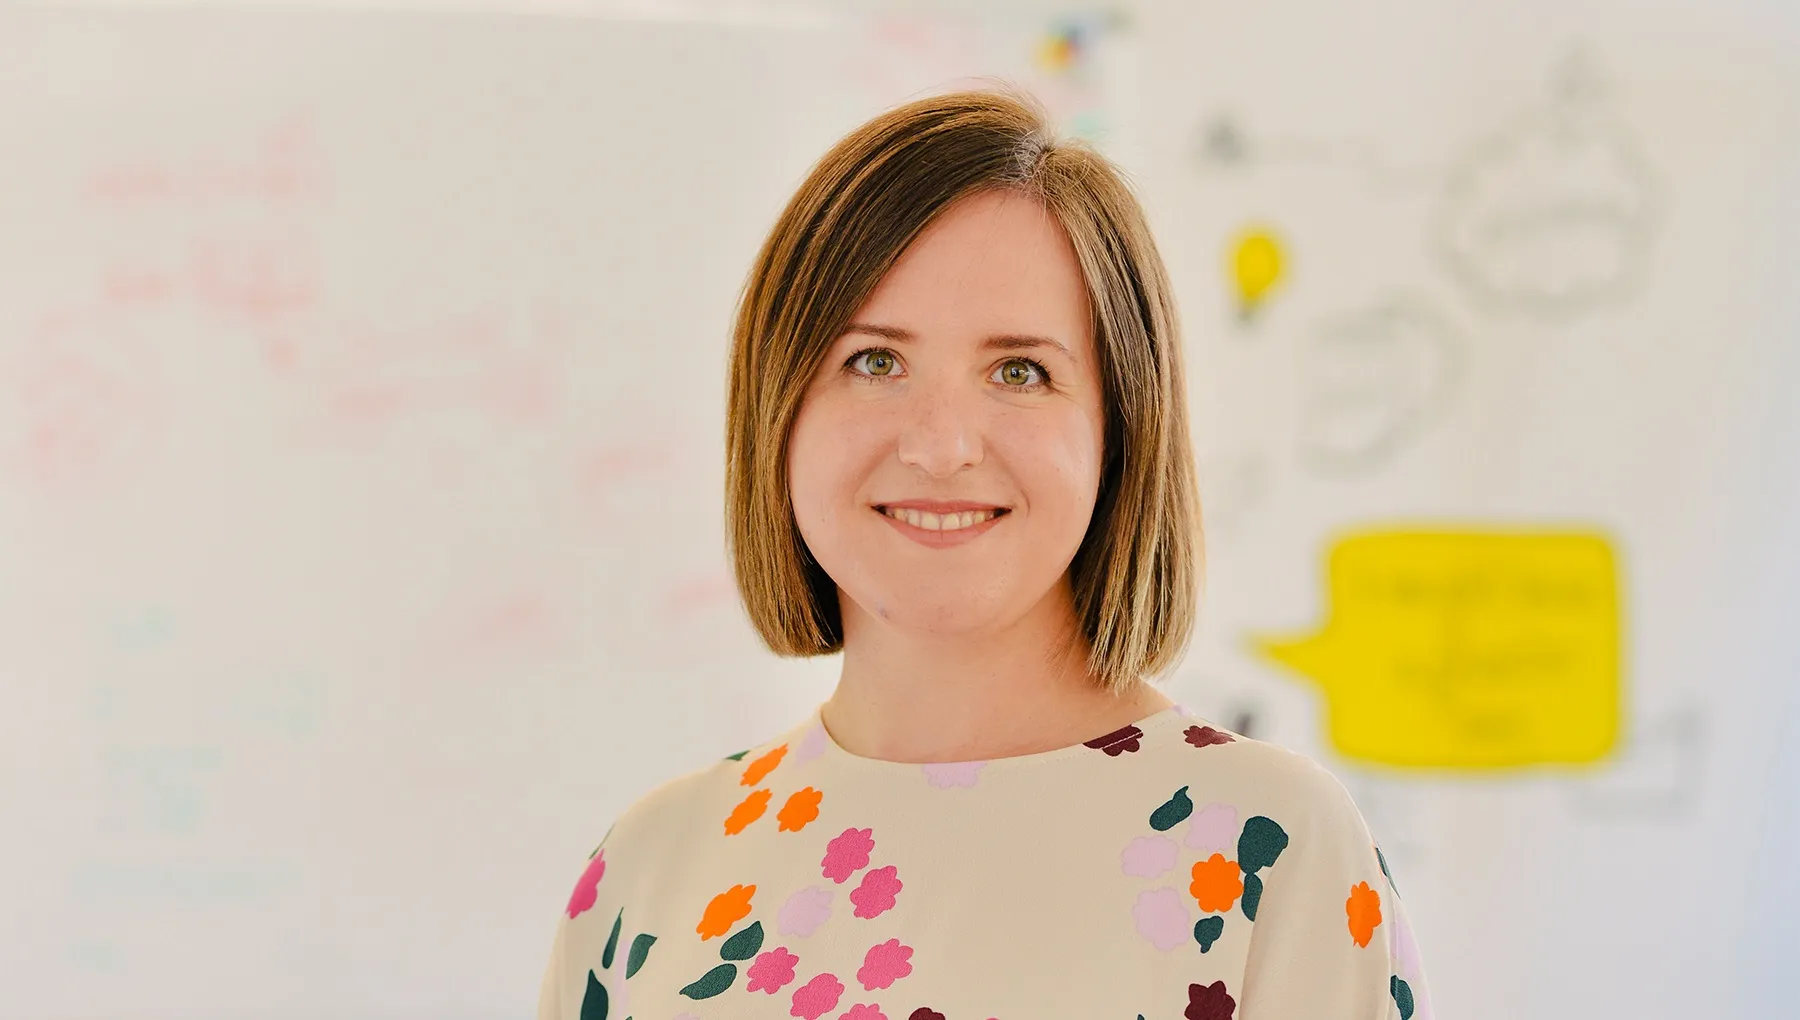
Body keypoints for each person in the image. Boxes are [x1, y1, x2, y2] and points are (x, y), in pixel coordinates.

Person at [537, 85, 1432, 1020]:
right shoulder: (647, 869)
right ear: (777, 412)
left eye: (1019, 371)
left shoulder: (1269, 848)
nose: (941, 445)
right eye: (874, 361)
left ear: (1119, 430)